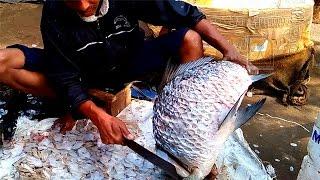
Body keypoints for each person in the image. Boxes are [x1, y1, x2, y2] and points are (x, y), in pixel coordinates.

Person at [0, 0, 258, 145]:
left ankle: (184, 117)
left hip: (129, 61)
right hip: (82, 70)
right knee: (3, 61)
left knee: (189, 38)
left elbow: (186, 14)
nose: (82, 5)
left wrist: (228, 50)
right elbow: (63, 73)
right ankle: (80, 103)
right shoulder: (55, 10)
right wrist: (97, 115)